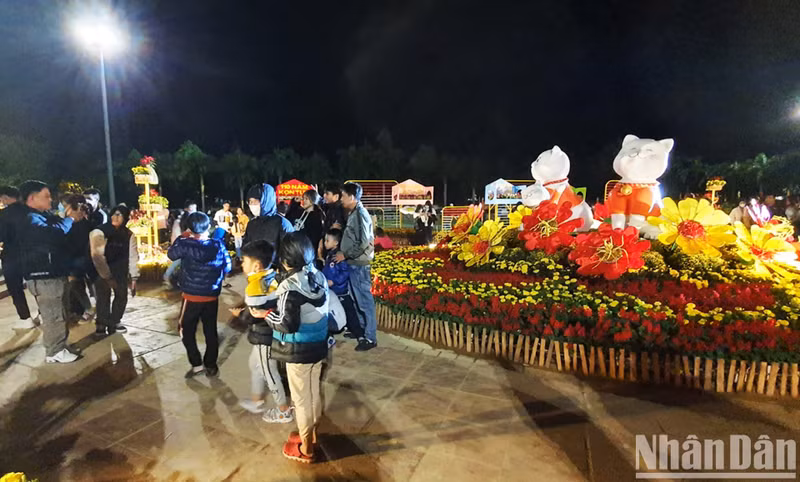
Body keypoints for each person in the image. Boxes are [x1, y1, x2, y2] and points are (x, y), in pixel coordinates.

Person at [251, 232, 328, 463]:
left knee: (301, 400)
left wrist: (265, 314)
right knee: (313, 392)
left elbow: (287, 324)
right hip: (319, 344)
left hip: (299, 349)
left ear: (285, 259)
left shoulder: (289, 286)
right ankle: (311, 435)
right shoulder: (317, 276)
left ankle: (306, 449)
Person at [232, 240, 295, 423]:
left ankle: (283, 410)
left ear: (256, 265)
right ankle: (256, 400)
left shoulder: (255, 286)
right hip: (272, 331)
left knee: (269, 371)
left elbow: (253, 315)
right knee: (255, 365)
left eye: (244, 261)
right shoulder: (273, 276)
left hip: (264, 335)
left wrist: (240, 314)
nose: (242, 265)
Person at [17, 180, 79, 363]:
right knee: (53, 315)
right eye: (46, 196)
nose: (51, 200)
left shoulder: (40, 216)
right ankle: (54, 352)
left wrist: (65, 217)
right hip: (44, 276)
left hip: (51, 273)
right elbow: (54, 234)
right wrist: (70, 219)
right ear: (32, 198)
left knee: (60, 313)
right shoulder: (29, 219)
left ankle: (60, 346)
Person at [168, 212, 232, 378]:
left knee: (185, 330)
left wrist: (182, 237)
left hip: (192, 296)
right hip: (211, 296)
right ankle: (211, 365)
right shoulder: (218, 245)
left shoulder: (185, 244)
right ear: (208, 227)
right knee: (210, 331)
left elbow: (171, 254)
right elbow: (228, 266)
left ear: (189, 229)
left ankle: (196, 364)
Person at [336, 182, 378, 352]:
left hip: (360, 264)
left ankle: (370, 337)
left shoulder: (360, 214)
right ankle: (361, 330)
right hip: (354, 263)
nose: (341, 199)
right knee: (356, 299)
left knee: (365, 302)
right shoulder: (354, 213)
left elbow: (364, 242)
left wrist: (346, 254)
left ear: (352, 197)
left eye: (343, 196)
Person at [90, 205, 139, 336]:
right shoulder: (99, 231)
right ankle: (101, 324)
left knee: (121, 296)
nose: (116, 217)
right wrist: (107, 276)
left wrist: (134, 277)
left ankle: (114, 321)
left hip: (120, 271)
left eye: (120, 215)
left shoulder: (129, 235)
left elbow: (133, 256)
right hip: (101, 271)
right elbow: (97, 256)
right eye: (114, 214)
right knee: (103, 297)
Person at [0, 186, 35, 328]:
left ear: (5, 197)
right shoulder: (30, 210)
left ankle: (25, 318)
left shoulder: (3, 215)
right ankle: (43, 313)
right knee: (36, 285)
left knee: (15, 288)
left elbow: (2, 236)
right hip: (32, 253)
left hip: (12, 256)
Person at [322, 229, 363, 340]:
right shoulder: (329, 255)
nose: (325, 243)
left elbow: (345, 272)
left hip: (340, 291)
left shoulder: (338, 257)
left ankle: (360, 334)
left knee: (349, 312)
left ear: (336, 242)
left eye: (327, 240)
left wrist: (334, 281)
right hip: (332, 290)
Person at [243, 183, 294, 265]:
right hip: (255, 270)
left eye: (256, 201)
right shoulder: (251, 224)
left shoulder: (283, 224)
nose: (252, 205)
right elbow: (246, 248)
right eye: (250, 202)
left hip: (276, 270)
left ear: (266, 200)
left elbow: (290, 254)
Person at [64, 195, 94, 322]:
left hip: (79, 260)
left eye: (66, 206)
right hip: (75, 260)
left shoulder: (81, 225)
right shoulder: (71, 224)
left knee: (76, 284)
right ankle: (85, 308)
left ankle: (89, 308)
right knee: (77, 285)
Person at [164, 200, 198, 289]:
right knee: (179, 262)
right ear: (186, 209)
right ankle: (167, 276)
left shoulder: (186, 220)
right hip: (183, 245)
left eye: (195, 208)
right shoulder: (182, 221)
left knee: (181, 263)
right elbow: (178, 234)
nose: (194, 211)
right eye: (192, 209)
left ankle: (174, 278)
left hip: (183, 245)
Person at [294, 190, 325, 261]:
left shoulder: (316, 216)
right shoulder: (301, 212)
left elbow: (315, 236)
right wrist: (295, 203)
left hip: (307, 250)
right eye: (303, 198)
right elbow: (289, 216)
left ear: (312, 200)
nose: (304, 201)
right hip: (297, 248)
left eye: (306, 199)